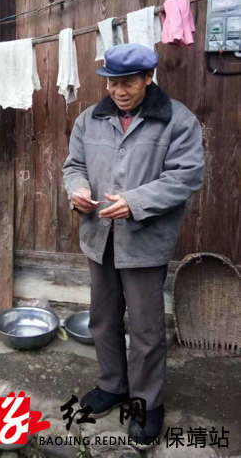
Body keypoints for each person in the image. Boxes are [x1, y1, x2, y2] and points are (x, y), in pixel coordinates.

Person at [63, 43, 204, 447]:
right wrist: (78, 189)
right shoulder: (91, 119)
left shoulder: (177, 121)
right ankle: (112, 385)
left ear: (148, 79)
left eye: (128, 82)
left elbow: (186, 176)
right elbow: (73, 166)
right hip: (98, 237)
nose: (119, 90)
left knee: (145, 329)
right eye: (112, 82)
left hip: (143, 240)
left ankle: (146, 402)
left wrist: (136, 202)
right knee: (103, 320)